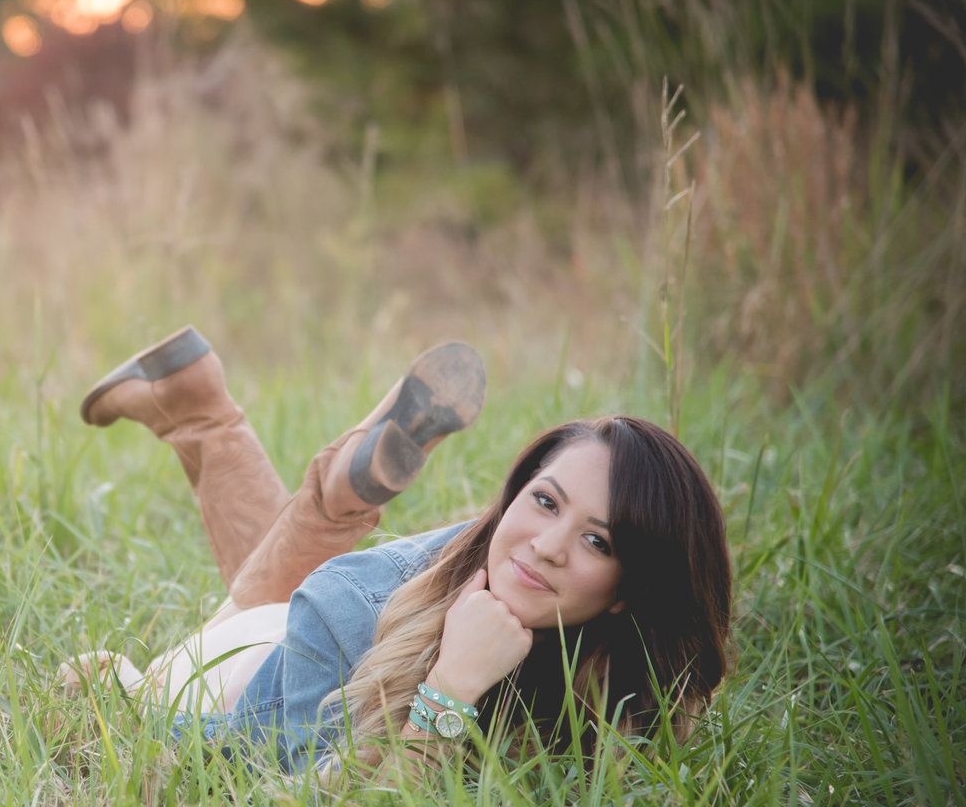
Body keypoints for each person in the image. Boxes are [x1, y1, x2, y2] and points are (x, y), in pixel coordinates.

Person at [61, 326, 733, 773]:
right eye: (545, 501)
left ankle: (218, 420)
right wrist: (452, 688)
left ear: (632, 589)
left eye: (596, 539)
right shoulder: (349, 616)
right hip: (228, 695)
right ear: (515, 495)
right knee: (97, 692)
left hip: (303, 615)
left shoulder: (624, 674)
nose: (548, 547)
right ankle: (127, 675)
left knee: (265, 588)